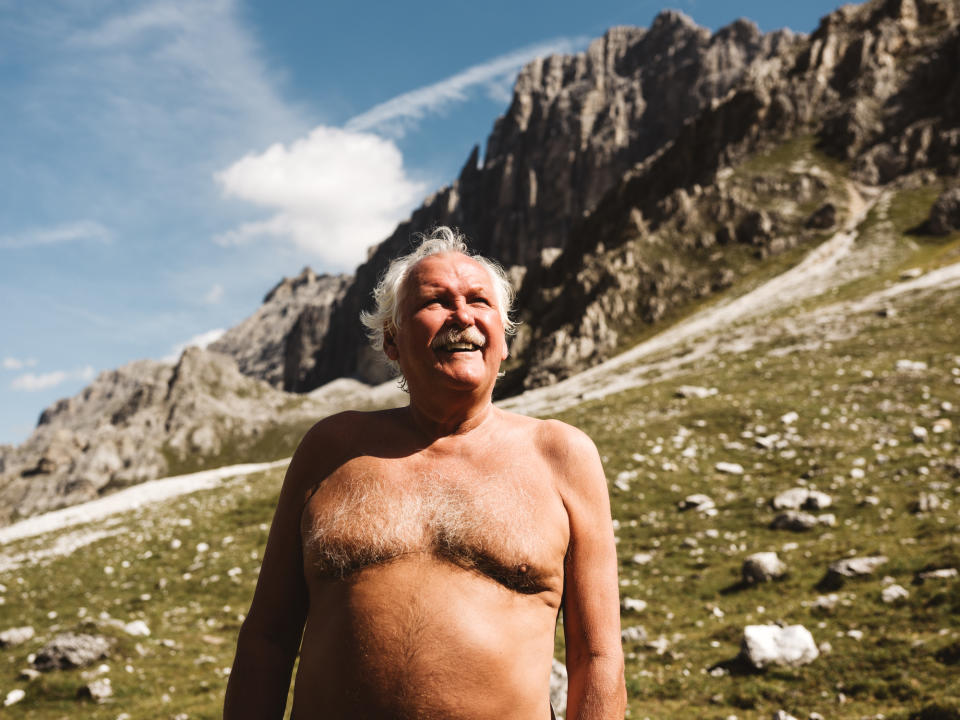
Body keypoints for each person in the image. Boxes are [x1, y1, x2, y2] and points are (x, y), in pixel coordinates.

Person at [224, 227, 625, 719]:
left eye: (479, 301)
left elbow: (598, 658)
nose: (462, 315)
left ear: (504, 340)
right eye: (436, 301)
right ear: (391, 341)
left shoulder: (562, 456)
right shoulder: (331, 450)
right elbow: (267, 637)